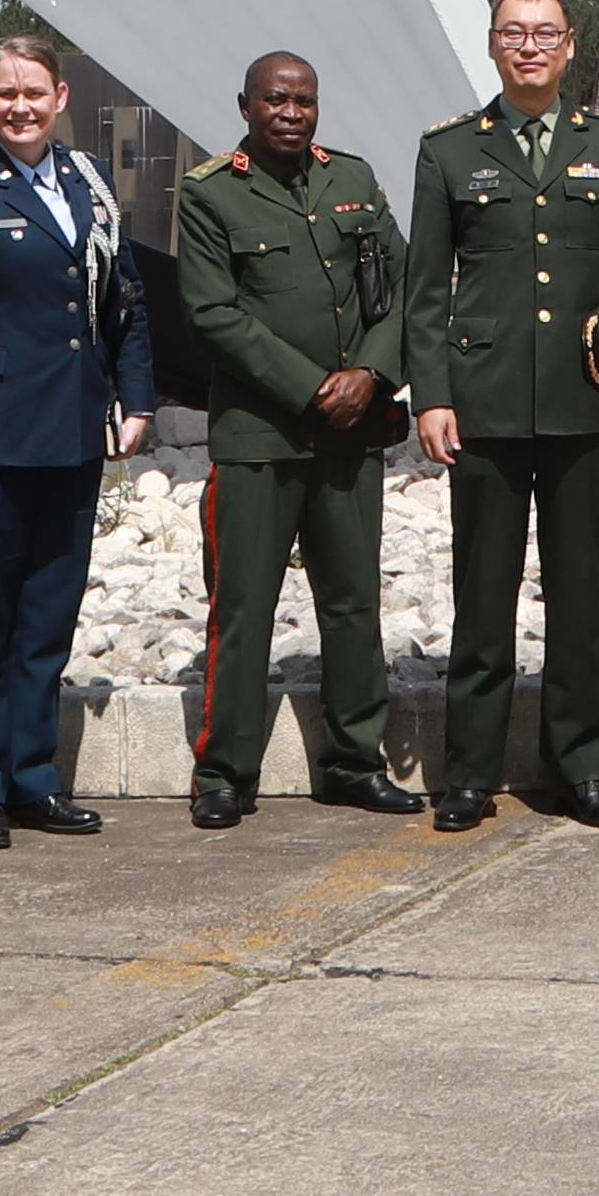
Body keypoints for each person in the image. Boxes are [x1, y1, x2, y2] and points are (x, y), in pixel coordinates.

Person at [408, 0, 599, 832]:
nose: (529, 46)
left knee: (578, 592)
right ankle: (469, 775)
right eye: (513, 32)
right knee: (481, 599)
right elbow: (424, 293)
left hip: (581, 401)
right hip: (481, 408)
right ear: (492, 45)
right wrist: (433, 397)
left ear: (569, 48)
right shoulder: (450, 150)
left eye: (545, 33)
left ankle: (580, 768)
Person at [0, 32, 154, 847]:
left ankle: (32, 778)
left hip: (72, 430)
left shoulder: (86, 180)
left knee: (48, 613)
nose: (20, 106)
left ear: (61, 98)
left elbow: (125, 297)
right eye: (5, 93)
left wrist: (135, 395)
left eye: (34, 92)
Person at [171, 51, 418, 830]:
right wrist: (317, 387)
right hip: (261, 434)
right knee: (243, 606)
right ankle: (223, 771)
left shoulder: (352, 179)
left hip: (352, 435)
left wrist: (373, 374)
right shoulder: (211, 194)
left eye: (304, 100)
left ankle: (353, 760)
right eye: (276, 99)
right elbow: (214, 314)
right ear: (245, 104)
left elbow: (402, 289)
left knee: (352, 604)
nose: (291, 111)